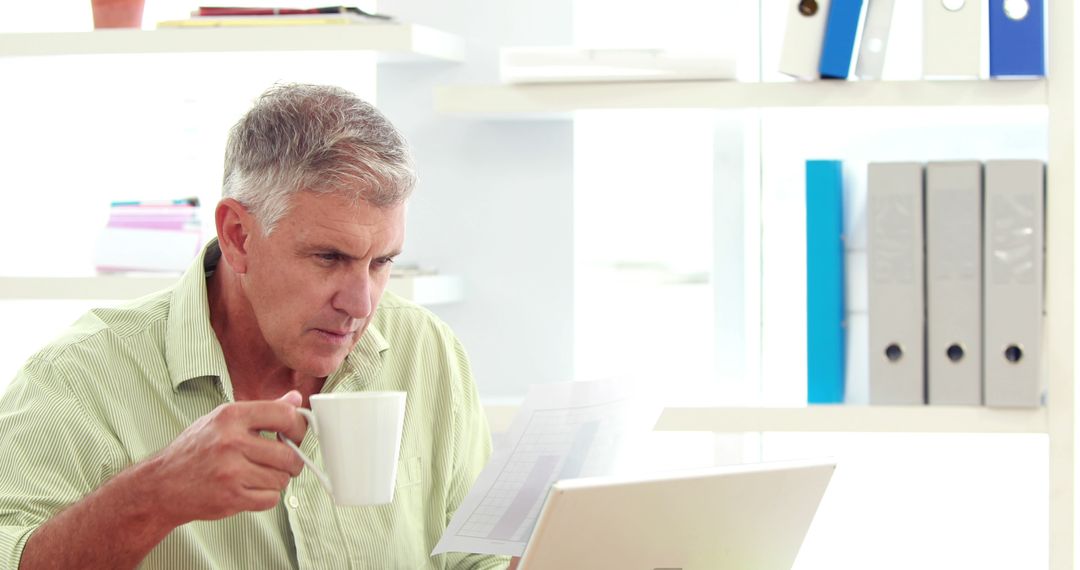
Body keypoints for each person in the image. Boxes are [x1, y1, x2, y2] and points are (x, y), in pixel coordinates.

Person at [0, 83, 513, 569]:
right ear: (238, 235)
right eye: (329, 257)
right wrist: (154, 496)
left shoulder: (427, 351)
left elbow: (474, 560)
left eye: (381, 263)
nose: (360, 304)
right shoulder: (79, 376)